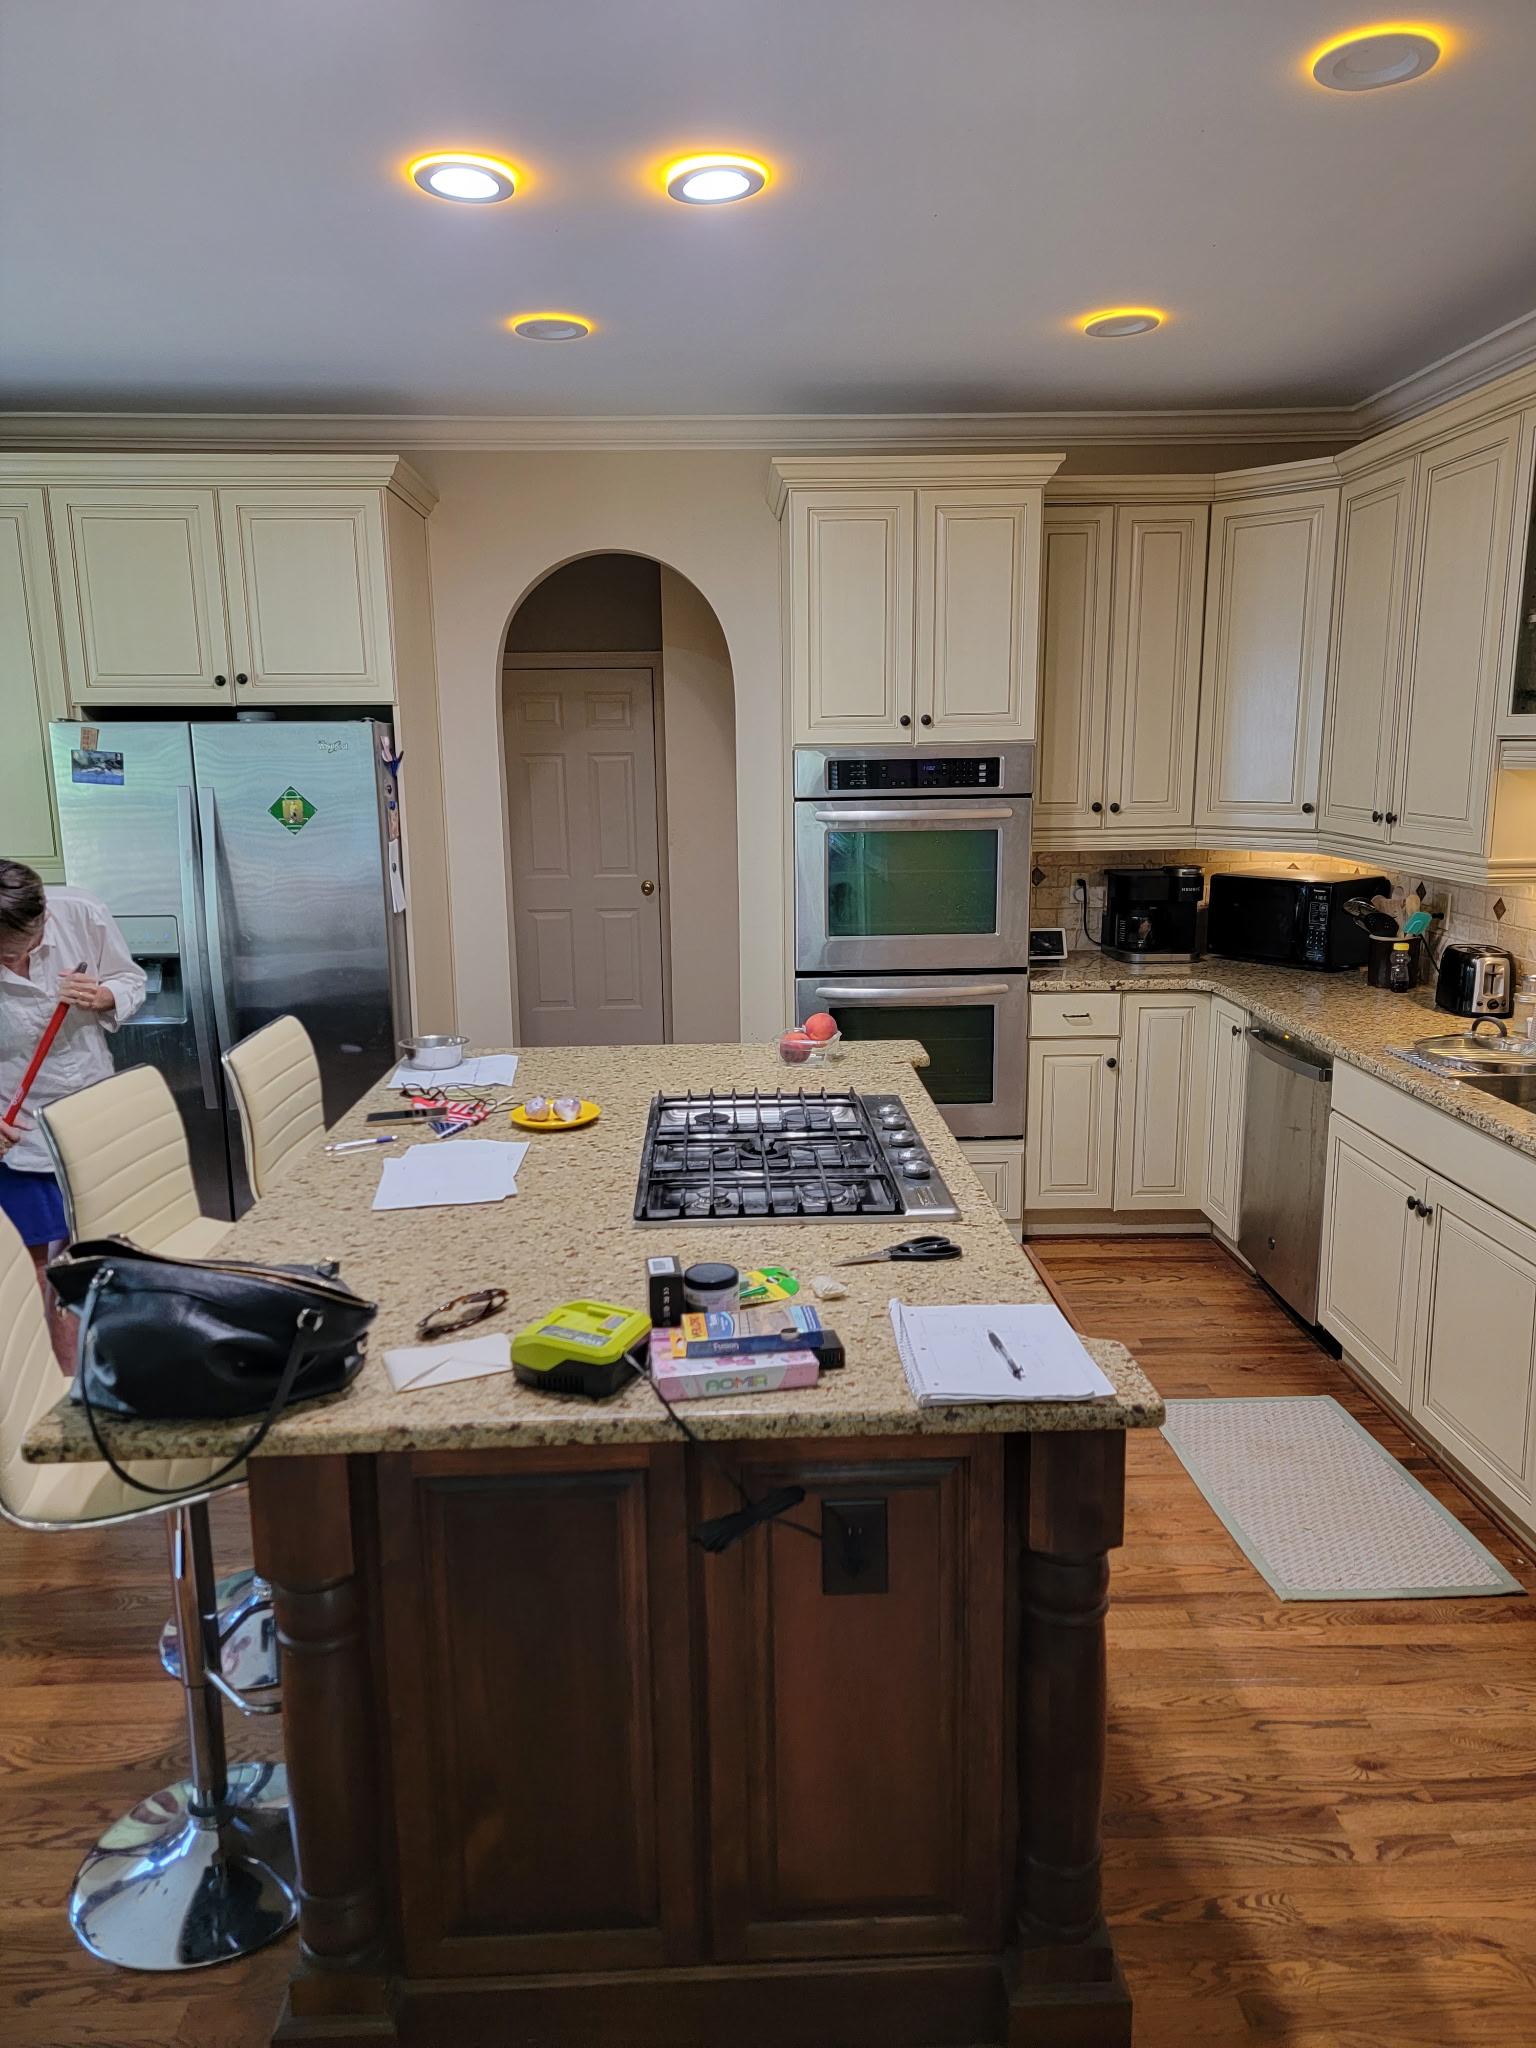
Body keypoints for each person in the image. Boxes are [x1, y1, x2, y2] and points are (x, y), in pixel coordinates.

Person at [0, 859, 146, 1366]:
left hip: (90, 1112)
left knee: (102, 1247)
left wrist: (105, 995)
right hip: (16, 1127)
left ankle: (126, 1363)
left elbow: (130, 978)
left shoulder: (79, 911)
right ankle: (67, 1385)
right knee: (40, 1265)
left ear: (43, 920)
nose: (16, 961)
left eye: (25, 948)